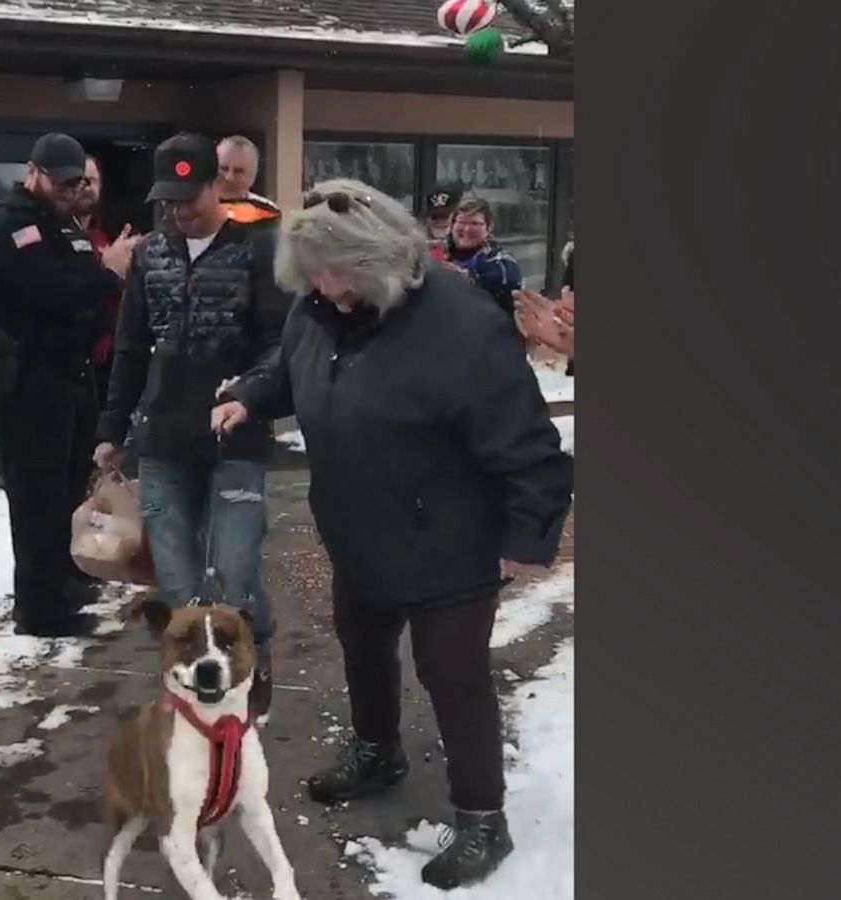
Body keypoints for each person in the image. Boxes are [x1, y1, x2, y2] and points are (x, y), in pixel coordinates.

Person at [212, 179, 573, 889]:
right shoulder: (318, 309)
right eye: (311, 271)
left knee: (452, 674)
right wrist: (250, 397)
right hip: (359, 524)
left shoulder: (460, 323)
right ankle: (378, 755)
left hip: (449, 537)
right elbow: (292, 371)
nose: (322, 286)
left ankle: (481, 819)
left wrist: (529, 535)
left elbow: (527, 444)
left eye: (336, 270)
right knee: (363, 645)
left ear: (379, 257)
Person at [93, 133, 292, 715]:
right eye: (168, 199)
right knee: (178, 584)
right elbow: (130, 348)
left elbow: (281, 344)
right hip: (163, 441)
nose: (180, 209)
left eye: (189, 196)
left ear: (218, 186)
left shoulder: (257, 249)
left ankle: (253, 666)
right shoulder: (151, 254)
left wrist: (249, 394)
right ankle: (190, 691)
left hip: (236, 440)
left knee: (234, 572)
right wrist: (111, 427)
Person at [0, 133, 143, 637]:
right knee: (38, 499)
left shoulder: (59, 224)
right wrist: (107, 270)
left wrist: (102, 271)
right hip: (28, 380)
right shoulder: (10, 224)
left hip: (70, 373)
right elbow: (51, 288)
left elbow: (79, 280)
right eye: (64, 183)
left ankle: (64, 583)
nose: (72, 192)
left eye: (79, 183)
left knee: (68, 490)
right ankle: (39, 610)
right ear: (35, 172)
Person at [73, 155, 121, 409]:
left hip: (104, 360)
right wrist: (106, 267)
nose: (86, 187)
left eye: (93, 181)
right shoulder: (55, 234)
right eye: (80, 180)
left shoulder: (102, 238)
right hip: (70, 362)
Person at [444, 196, 523, 319]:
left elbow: (508, 280)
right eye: (461, 222)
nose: (467, 229)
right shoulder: (438, 253)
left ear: (488, 228)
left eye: (475, 223)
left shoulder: (499, 260)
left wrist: (468, 277)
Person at [216, 135, 281, 225]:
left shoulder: (267, 212)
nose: (229, 177)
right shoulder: (195, 208)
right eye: (224, 169)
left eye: (238, 171)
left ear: (252, 176)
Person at [423, 182, 465, 262]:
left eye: (445, 217)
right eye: (435, 217)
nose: (440, 221)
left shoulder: (470, 247)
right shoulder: (417, 248)